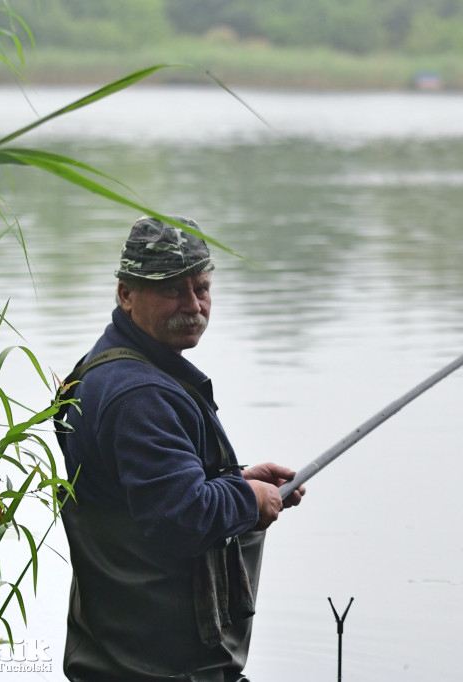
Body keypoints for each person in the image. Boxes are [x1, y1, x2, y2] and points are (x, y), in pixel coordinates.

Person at [56, 215, 304, 682]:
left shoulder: (110, 369)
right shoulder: (138, 396)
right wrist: (249, 499)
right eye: (172, 290)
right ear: (125, 294)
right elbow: (179, 517)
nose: (192, 305)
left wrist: (236, 483)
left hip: (123, 657)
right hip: (163, 669)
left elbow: (146, 498)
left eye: (201, 287)